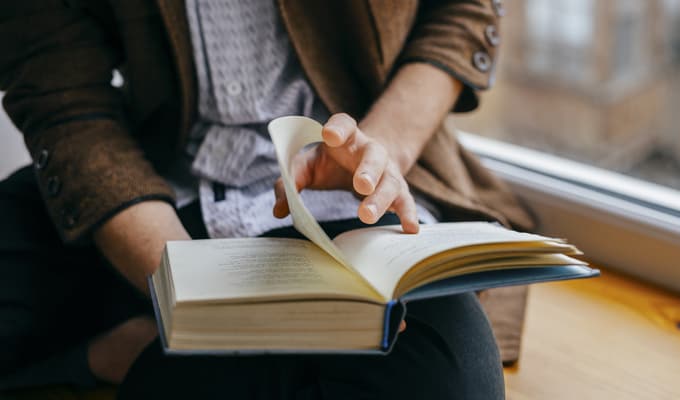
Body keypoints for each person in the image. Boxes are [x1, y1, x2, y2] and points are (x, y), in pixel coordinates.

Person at [0, 0, 532, 398]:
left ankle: (155, 353)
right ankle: (141, 349)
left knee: (445, 378)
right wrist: (188, 294)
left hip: (349, 198)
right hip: (153, 191)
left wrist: (380, 149)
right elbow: (62, 94)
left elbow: (461, 10)